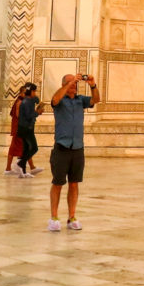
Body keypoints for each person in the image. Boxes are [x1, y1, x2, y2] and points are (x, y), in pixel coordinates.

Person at [47, 72, 98, 231]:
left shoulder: (80, 100)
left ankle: (72, 217)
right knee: (58, 183)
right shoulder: (59, 100)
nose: (74, 85)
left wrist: (93, 85)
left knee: (74, 183)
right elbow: (54, 100)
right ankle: (54, 217)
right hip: (61, 148)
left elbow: (96, 100)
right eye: (71, 83)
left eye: (75, 83)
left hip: (77, 148)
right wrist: (68, 83)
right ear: (64, 85)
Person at [15, 83, 40, 177]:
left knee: (25, 149)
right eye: (34, 91)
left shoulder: (28, 100)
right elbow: (29, 116)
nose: (35, 93)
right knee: (34, 148)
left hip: (24, 128)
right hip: (26, 129)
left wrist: (34, 96)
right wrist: (37, 112)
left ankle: (23, 172)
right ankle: (21, 163)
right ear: (31, 91)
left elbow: (37, 100)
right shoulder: (27, 102)